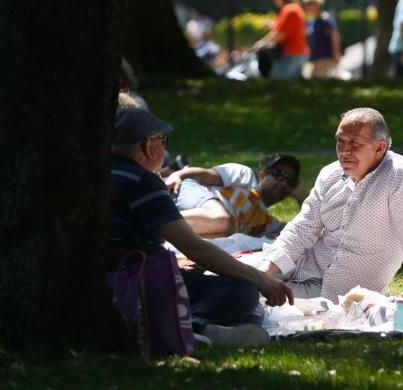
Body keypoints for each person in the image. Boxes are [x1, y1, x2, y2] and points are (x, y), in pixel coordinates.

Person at [108, 108, 293, 347]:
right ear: (148, 146)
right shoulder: (143, 182)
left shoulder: (99, 173)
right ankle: (193, 326)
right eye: (163, 141)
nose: (164, 149)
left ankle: (198, 327)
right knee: (242, 290)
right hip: (134, 283)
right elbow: (195, 248)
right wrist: (261, 280)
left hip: (104, 279)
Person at [259, 108, 403, 300]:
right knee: (238, 278)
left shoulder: (400, 179)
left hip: (336, 292)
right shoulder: (331, 173)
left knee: (250, 298)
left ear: (380, 148)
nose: (344, 151)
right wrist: (265, 270)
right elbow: (302, 229)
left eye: (354, 143)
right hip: (299, 265)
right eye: (340, 142)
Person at [165, 154, 304, 238]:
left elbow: (307, 231)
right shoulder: (245, 176)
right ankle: (153, 221)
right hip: (190, 191)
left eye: (291, 180)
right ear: (263, 174)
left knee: (221, 229)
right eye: (279, 174)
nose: (284, 182)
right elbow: (204, 175)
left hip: (205, 219)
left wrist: (300, 196)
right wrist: (177, 174)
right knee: (223, 220)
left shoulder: (266, 224)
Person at [253, 0, 308, 79]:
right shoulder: (295, 8)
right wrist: (272, 25)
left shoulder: (289, 10)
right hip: (299, 52)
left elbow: (280, 33)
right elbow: (287, 28)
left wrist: (262, 42)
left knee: (279, 84)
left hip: (290, 53)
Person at [300, 0, 342, 79]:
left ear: (318, 4)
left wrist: (336, 55)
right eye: (306, 3)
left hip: (325, 60)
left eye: (310, 3)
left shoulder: (326, 20)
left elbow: (335, 38)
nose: (307, 6)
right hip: (315, 60)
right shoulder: (311, 22)